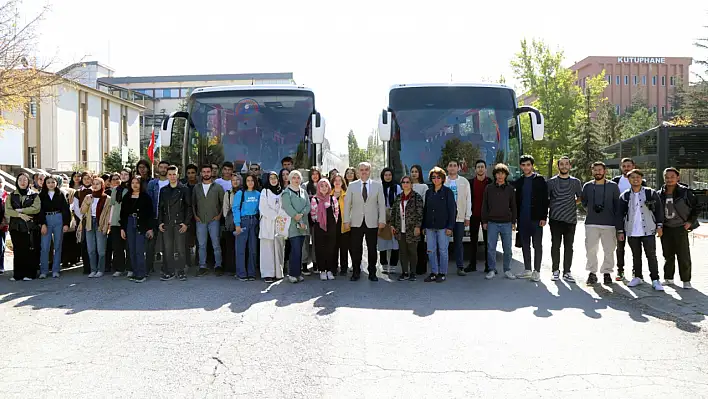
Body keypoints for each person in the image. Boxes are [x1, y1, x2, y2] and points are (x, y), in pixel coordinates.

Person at [618, 169, 665, 291]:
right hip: (632, 230)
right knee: (636, 255)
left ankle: (655, 279)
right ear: (628, 180)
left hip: (648, 230)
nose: (635, 179)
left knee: (651, 255)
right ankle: (637, 277)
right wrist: (620, 231)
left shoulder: (650, 193)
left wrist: (659, 225)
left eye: (638, 177)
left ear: (642, 178)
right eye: (632, 177)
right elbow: (620, 214)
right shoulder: (625, 196)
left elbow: (659, 210)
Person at [343, 162, 386, 282]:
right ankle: (356, 272)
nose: (364, 172)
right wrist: (346, 220)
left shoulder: (378, 185)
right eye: (361, 170)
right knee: (356, 248)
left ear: (370, 171)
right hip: (356, 222)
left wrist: (382, 220)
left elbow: (381, 204)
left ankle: (372, 272)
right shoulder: (352, 185)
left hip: (372, 222)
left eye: (366, 169)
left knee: (372, 248)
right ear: (358, 171)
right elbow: (347, 205)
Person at [581, 162, 622, 285]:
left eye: (600, 170)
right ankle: (592, 273)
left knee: (609, 250)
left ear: (605, 171)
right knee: (591, 249)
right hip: (591, 223)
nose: (598, 172)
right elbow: (584, 203)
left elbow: (617, 205)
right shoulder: (587, 186)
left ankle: (607, 273)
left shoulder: (613, 186)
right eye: (595, 170)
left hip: (609, 224)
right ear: (592, 171)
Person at [658, 168, 698, 289]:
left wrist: (690, 222)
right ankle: (669, 278)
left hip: (681, 227)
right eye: (667, 177)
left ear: (677, 177)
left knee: (683, 255)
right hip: (666, 228)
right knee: (667, 254)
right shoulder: (660, 193)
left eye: (672, 177)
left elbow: (697, 207)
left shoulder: (685, 192)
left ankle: (686, 280)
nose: (669, 179)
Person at [512, 155, 548, 282]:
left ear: (532, 165)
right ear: (521, 166)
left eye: (528, 165)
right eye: (523, 165)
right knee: (525, 245)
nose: (526, 167)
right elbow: (515, 201)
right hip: (522, 219)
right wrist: (515, 219)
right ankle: (527, 269)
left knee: (537, 245)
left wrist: (544, 217)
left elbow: (545, 200)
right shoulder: (519, 181)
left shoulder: (540, 180)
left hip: (537, 218)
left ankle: (536, 271)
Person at [547, 156, 583, 282]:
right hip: (555, 219)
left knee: (569, 247)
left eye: (566, 164)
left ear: (570, 166)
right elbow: (547, 199)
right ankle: (555, 271)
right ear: (558, 166)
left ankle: (567, 272)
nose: (564, 166)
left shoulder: (575, 182)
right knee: (555, 245)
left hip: (570, 219)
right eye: (561, 164)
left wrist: (570, 203)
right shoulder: (551, 182)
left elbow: (579, 198)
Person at [611, 157, 646, 281]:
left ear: (633, 166)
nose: (626, 168)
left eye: (629, 166)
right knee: (620, 247)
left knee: (636, 248)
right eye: (624, 166)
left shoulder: (642, 182)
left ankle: (636, 272)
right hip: (620, 219)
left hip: (636, 221)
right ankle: (620, 271)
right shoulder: (615, 181)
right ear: (621, 167)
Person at [481, 163, 517, 280]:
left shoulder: (510, 189)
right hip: (492, 223)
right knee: (491, 248)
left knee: (507, 248)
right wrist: (484, 221)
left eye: (502, 173)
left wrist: (513, 222)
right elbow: (484, 206)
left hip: (506, 223)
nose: (500, 176)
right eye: (498, 173)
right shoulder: (489, 188)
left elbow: (513, 206)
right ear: (495, 175)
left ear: (506, 175)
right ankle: (491, 269)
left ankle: (507, 270)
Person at [158, 166, 192, 281]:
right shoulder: (163, 190)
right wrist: (160, 222)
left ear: (178, 175)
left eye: (174, 174)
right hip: (167, 222)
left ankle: (181, 271)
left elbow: (189, 207)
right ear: (167, 176)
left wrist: (186, 223)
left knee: (180, 249)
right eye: (170, 174)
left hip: (179, 223)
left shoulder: (184, 189)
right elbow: (160, 207)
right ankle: (170, 271)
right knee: (168, 249)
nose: (172, 176)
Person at [5, 172, 41, 281]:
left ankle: (29, 274)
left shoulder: (34, 195)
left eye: (25, 180)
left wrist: (22, 210)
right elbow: (8, 210)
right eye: (20, 179)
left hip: (29, 226)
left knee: (29, 249)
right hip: (15, 227)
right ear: (17, 181)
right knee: (18, 249)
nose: (22, 182)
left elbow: (36, 208)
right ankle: (18, 275)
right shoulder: (11, 195)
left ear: (28, 182)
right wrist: (20, 215)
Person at [120, 176, 154, 283]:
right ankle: (135, 272)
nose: (135, 185)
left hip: (141, 224)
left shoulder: (145, 197)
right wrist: (122, 228)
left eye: (137, 183)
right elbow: (123, 214)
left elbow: (150, 214)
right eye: (133, 183)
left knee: (139, 249)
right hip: (129, 223)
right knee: (132, 249)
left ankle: (141, 273)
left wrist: (150, 228)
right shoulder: (127, 196)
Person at [390, 175, 424, 281]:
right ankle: (404, 272)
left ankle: (413, 272)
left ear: (411, 184)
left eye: (407, 182)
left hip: (412, 229)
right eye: (403, 182)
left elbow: (420, 213)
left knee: (413, 252)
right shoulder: (398, 197)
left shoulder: (416, 197)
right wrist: (392, 225)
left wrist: (418, 226)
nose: (405, 184)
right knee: (403, 252)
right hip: (400, 229)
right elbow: (394, 212)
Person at [193, 164, 225, 276]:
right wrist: (195, 216)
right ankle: (202, 266)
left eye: (208, 171)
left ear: (211, 173)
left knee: (216, 244)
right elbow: (193, 204)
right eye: (204, 171)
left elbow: (223, 203)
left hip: (214, 219)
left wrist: (220, 215)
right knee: (201, 245)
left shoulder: (218, 187)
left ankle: (218, 265)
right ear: (201, 173)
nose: (206, 174)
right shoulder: (196, 187)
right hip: (200, 220)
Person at [38, 176, 71, 279]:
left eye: (53, 182)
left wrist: (66, 223)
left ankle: (56, 270)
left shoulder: (60, 194)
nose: (51, 184)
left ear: (56, 183)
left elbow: (66, 209)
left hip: (58, 219)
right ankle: (44, 270)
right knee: (45, 246)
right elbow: (40, 211)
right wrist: (42, 223)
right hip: (46, 219)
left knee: (58, 245)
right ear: (45, 184)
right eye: (48, 182)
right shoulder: (41, 195)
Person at [79, 177, 112, 278]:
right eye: (93, 184)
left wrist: (106, 227)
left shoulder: (107, 198)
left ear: (102, 185)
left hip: (100, 224)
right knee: (91, 249)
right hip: (90, 223)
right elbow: (82, 211)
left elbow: (107, 214)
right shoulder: (89, 197)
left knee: (101, 250)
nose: (95, 186)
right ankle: (93, 270)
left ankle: (100, 269)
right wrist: (87, 203)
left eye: (98, 184)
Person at [281, 170, 310, 283]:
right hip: (292, 225)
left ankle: (298, 273)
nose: (296, 180)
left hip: (303, 224)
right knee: (295, 249)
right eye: (294, 177)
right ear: (290, 179)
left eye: (298, 177)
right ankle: (292, 274)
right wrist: (296, 216)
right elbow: (287, 207)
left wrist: (302, 214)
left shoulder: (304, 191)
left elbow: (308, 205)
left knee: (300, 250)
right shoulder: (286, 193)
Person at [444, 160, 472, 276]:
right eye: (450, 165)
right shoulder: (442, 180)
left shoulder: (464, 181)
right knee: (443, 244)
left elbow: (468, 199)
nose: (452, 168)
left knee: (458, 243)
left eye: (455, 166)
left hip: (459, 218)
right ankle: (442, 268)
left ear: (458, 168)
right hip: (445, 218)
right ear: (447, 168)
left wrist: (467, 216)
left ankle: (460, 267)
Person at [465, 160, 491, 273]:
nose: (480, 169)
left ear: (485, 169)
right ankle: (472, 264)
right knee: (473, 241)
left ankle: (488, 265)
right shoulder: (469, 183)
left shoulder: (491, 182)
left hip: (487, 217)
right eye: (478, 167)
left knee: (488, 241)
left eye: (482, 167)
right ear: (475, 169)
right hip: (473, 215)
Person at [310, 179, 339, 280]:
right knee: (320, 248)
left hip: (331, 227)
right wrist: (320, 222)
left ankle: (329, 270)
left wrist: (331, 223)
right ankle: (322, 270)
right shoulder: (314, 199)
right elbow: (313, 214)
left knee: (330, 248)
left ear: (329, 188)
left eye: (326, 186)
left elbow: (336, 213)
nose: (323, 188)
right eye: (321, 186)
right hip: (319, 227)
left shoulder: (333, 199)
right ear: (318, 187)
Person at [259, 171, 285, 283]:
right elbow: (263, 208)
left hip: (279, 224)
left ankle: (279, 272)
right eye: (271, 178)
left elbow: (284, 207)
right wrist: (275, 215)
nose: (273, 180)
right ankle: (267, 273)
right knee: (267, 250)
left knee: (279, 248)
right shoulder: (264, 192)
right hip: (267, 223)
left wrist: (279, 215)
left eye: (275, 178)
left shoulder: (282, 192)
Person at [233, 174, 261, 281]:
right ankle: (241, 273)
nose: (250, 182)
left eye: (252, 180)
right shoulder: (240, 193)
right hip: (243, 221)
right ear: (245, 182)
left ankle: (252, 273)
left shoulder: (258, 194)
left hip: (254, 221)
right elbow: (235, 209)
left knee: (253, 248)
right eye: (248, 180)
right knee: (240, 248)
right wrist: (237, 224)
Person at [146, 160, 170, 274]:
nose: (163, 169)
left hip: (168, 218)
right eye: (161, 167)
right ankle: (148, 267)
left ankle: (166, 266)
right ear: (158, 168)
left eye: (166, 167)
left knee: (167, 243)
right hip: (154, 217)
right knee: (151, 243)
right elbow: (148, 202)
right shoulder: (152, 184)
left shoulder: (172, 182)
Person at [378, 168, 401, 275]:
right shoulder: (379, 187)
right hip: (382, 215)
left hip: (394, 215)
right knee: (382, 240)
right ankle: (384, 264)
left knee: (395, 242)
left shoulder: (397, 187)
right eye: (385, 175)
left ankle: (393, 265)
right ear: (382, 176)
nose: (388, 177)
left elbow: (400, 201)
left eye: (390, 175)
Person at [107, 173, 129, 277]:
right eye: (122, 175)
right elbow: (112, 206)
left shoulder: (130, 189)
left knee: (129, 246)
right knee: (117, 247)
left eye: (126, 174)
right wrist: (110, 222)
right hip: (116, 221)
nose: (117, 180)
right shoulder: (115, 190)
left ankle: (130, 268)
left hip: (127, 221)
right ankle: (119, 268)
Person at [302, 167, 322, 275]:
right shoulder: (305, 186)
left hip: (317, 219)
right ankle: (304, 265)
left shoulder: (322, 185)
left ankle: (315, 264)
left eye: (316, 174)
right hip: (306, 217)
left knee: (316, 242)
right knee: (305, 242)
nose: (315, 176)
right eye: (313, 174)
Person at [410, 165, 428, 275]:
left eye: (416, 171)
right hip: (408, 220)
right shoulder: (407, 185)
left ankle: (421, 267)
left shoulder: (424, 186)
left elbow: (425, 204)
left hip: (419, 219)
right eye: (412, 171)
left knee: (420, 244)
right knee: (411, 246)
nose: (414, 173)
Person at [222, 174, 242, 276]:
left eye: (237, 180)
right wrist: (229, 219)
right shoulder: (228, 193)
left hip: (241, 221)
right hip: (231, 223)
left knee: (240, 246)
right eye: (233, 180)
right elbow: (225, 209)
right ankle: (231, 268)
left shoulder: (243, 192)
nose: (235, 182)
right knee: (230, 246)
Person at [330, 174, 350, 276]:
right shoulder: (328, 195)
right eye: (335, 181)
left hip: (343, 225)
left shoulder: (347, 195)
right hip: (332, 226)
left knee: (344, 248)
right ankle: (333, 267)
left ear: (343, 183)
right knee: (333, 247)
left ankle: (344, 267)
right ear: (332, 183)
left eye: (339, 180)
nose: (337, 182)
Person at [181, 164, 199, 269]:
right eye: (189, 173)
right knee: (186, 241)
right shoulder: (183, 187)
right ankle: (187, 262)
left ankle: (198, 262)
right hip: (187, 217)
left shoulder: (200, 186)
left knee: (199, 240)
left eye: (193, 173)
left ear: (196, 174)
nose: (191, 175)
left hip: (199, 216)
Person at [0, 176, 7, 275]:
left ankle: (1, 266)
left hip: (3, 224)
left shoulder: (6, 195)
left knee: (1, 246)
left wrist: (3, 221)